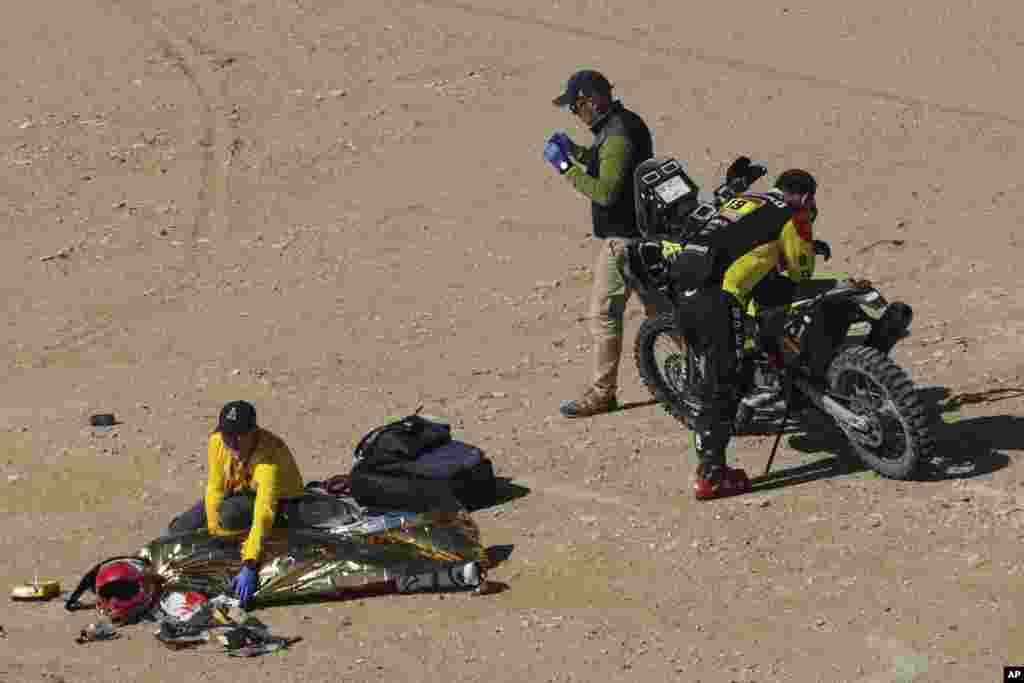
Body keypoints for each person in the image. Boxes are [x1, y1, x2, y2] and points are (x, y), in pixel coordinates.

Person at [671, 168, 823, 500]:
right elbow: (802, 270)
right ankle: (710, 476)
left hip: (683, 282)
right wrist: (800, 248)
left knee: (721, 370)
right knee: (725, 383)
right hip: (717, 295)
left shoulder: (742, 198)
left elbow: (731, 232)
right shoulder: (792, 213)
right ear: (808, 198)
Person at [545, 69, 667, 418]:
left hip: (624, 242)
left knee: (605, 316)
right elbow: (612, 165)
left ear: (592, 101)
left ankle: (602, 393)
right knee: (662, 314)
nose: (575, 114)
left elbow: (606, 192)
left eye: (576, 106)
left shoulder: (616, 136)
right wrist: (580, 154)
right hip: (646, 237)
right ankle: (697, 377)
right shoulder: (623, 124)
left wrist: (566, 166)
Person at [168, 400, 305, 604]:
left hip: (282, 501)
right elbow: (215, 488)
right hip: (242, 488)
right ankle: (228, 537)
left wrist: (250, 563)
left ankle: (247, 545)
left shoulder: (269, 457)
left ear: (253, 433)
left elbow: (263, 511)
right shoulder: (217, 442)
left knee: (230, 516)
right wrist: (215, 531)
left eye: (239, 436)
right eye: (227, 436)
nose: (232, 443)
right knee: (180, 529)